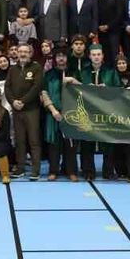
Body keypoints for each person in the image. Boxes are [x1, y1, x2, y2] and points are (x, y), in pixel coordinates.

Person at [77, 44, 120, 180]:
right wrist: (86, 88)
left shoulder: (111, 71)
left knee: (108, 141)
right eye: (94, 55)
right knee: (87, 140)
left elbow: (119, 89)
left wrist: (107, 88)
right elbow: (75, 90)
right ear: (89, 56)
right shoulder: (83, 72)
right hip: (88, 111)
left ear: (102, 56)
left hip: (106, 111)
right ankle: (88, 171)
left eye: (98, 54)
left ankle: (108, 171)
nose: (96, 57)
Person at [6, 43, 45, 180]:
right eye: (20, 51)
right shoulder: (12, 69)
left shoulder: (36, 68)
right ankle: (20, 168)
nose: (22, 54)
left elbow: (37, 87)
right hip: (17, 110)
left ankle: (36, 170)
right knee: (19, 141)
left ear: (30, 53)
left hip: (31, 110)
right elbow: (7, 88)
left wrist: (23, 101)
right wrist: (13, 102)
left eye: (25, 52)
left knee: (34, 141)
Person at [41, 51, 78, 181]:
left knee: (71, 144)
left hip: (71, 113)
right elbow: (44, 93)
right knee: (54, 144)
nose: (61, 58)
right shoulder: (49, 74)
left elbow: (84, 90)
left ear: (67, 58)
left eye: (63, 56)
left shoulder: (74, 72)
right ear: (55, 59)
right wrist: (53, 110)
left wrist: (74, 81)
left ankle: (71, 171)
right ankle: (53, 171)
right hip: (54, 114)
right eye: (58, 56)